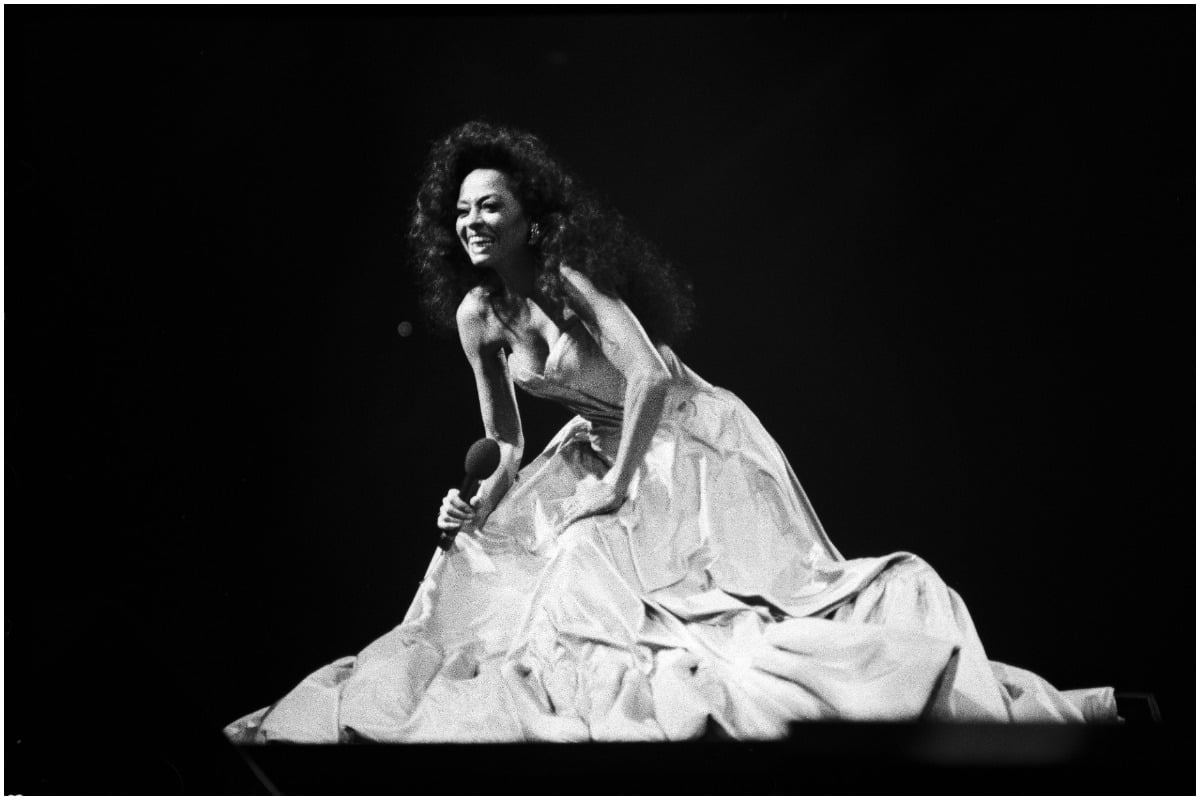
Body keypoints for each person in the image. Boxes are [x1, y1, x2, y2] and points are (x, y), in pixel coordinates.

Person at [225, 121, 1115, 743]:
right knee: (491, 565)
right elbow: (498, 434)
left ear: (531, 216)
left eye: (490, 206)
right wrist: (475, 497)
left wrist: (614, 488)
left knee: (723, 615)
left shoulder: (571, 278)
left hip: (686, 436)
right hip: (597, 441)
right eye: (461, 212)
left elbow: (650, 376)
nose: (472, 222)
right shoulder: (474, 316)